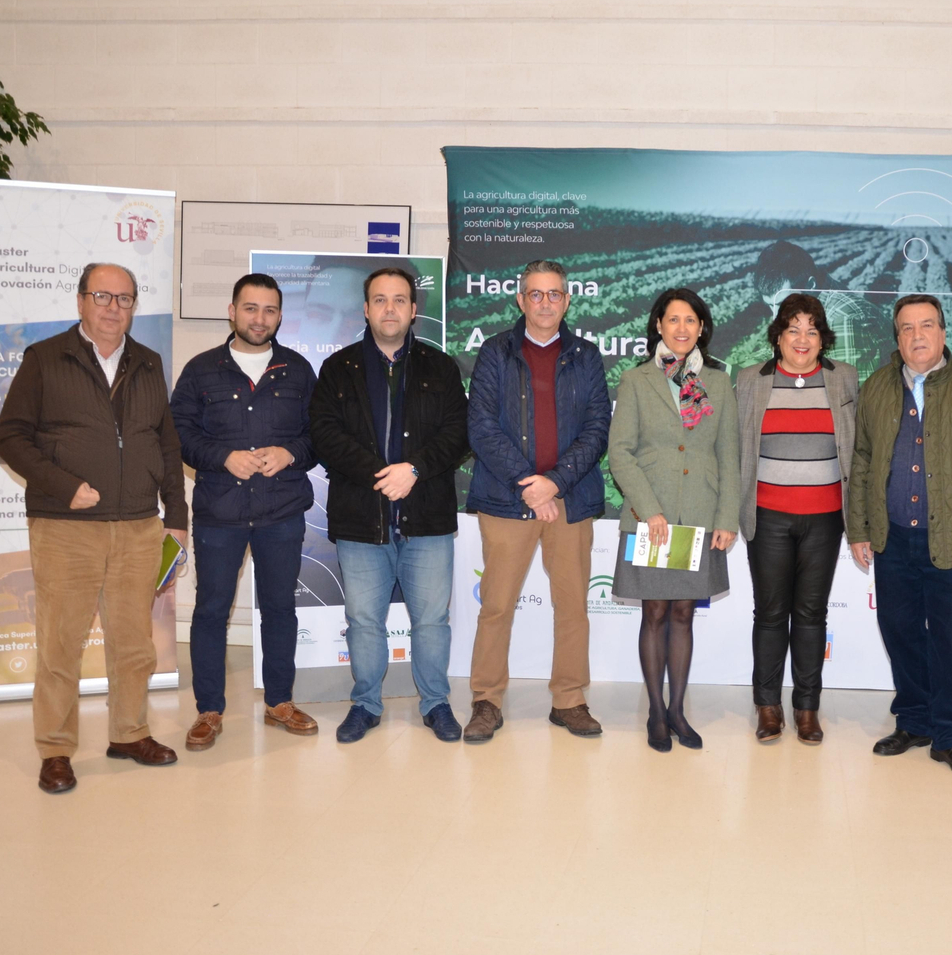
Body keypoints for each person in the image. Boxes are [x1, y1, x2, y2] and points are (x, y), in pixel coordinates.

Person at [0, 263, 187, 794]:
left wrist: (176, 518)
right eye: (102, 296)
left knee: (134, 645)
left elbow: (167, 445)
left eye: (124, 299)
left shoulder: (148, 362)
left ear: (133, 306)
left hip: (138, 527)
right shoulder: (45, 359)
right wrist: (63, 485)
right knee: (61, 645)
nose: (113, 308)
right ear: (81, 301)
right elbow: (9, 438)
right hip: (67, 527)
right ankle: (55, 750)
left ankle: (129, 733)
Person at [848, 294, 952, 779]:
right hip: (892, 539)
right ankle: (914, 721)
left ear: (943, 333)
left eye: (926, 325)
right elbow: (862, 460)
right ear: (897, 338)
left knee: (949, 639)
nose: (917, 335)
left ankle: (949, 735)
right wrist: (858, 527)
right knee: (899, 632)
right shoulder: (877, 387)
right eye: (907, 328)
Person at [310, 266, 470, 744]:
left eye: (399, 299)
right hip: (361, 519)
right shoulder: (337, 368)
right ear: (366, 309)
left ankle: (436, 703)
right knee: (363, 621)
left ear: (413, 310)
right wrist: (381, 475)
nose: (390, 308)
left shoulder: (441, 368)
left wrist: (414, 469)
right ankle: (365, 704)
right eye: (380, 300)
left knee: (431, 621)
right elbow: (324, 435)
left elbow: (458, 434)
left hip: (428, 520)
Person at [464, 260, 611, 741]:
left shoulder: (586, 356)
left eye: (554, 294)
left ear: (567, 301)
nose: (545, 303)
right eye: (536, 294)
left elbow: (597, 429)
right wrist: (529, 483)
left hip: (569, 499)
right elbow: (481, 426)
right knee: (496, 606)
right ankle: (486, 701)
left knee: (572, 607)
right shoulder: (495, 352)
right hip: (507, 497)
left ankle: (569, 700)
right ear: (520, 300)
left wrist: (556, 482)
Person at [170, 273, 319, 750]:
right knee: (211, 610)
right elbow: (178, 433)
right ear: (232, 311)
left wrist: (290, 453)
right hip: (220, 513)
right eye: (250, 308)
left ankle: (280, 703)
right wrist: (222, 457)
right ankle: (208, 711)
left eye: (269, 310)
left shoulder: (298, 370)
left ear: (280, 316)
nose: (260, 318)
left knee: (280, 608)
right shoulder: (200, 370)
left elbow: (319, 435)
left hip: (281, 512)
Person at [608, 288, 740, 752]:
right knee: (656, 612)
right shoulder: (636, 380)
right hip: (653, 519)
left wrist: (727, 516)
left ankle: (678, 711)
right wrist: (649, 509)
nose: (682, 328)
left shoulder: (719, 383)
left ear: (701, 328)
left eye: (690, 320)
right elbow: (620, 453)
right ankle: (655, 712)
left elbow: (729, 455)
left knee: (684, 613)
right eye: (673, 320)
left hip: (700, 514)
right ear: (658, 326)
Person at [736, 293, 858, 745]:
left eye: (812, 330)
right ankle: (767, 706)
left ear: (823, 339)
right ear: (778, 337)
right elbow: (736, 448)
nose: (802, 339)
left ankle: (807, 708)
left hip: (825, 519)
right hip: (768, 517)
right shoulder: (751, 380)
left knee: (811, 614)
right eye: (793, 329)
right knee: (770, 613)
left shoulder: (844, 378)